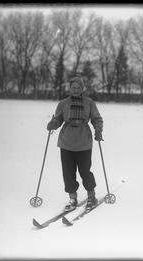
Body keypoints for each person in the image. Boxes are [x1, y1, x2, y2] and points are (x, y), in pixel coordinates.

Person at [47, 76, 103, 211]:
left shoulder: (89, 103)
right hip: (66, 142)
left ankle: (91, 196)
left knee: (85, 171)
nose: (76, 90)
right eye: (73, 88)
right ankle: (72, 198)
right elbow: (59, 118)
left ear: (82, 89)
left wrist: (98, 130)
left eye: (78, 88)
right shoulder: (63, 103)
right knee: (68, 172)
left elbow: (97, 118)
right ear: (70, 88)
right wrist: (53, 124)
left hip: (84, 141)